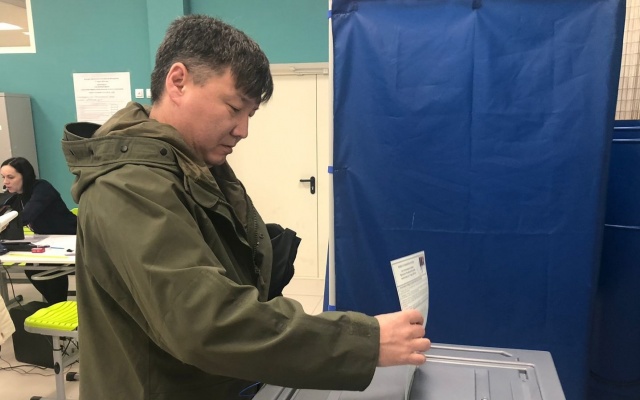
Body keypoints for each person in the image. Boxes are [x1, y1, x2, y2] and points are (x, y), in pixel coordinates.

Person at [62, 15, 431, 400]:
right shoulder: (128, 185)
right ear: (178, 81)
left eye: (249, 115)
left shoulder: (192, 167)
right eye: (233, 107)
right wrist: (364, 343)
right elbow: (205, 323)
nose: (243, 130)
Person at [0, 157, 77, 304]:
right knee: (32, 269)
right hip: (50, 241)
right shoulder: (17, 196)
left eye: (10, 177)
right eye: (3, 177)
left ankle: (58, 305)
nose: (5, 182)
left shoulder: (42, 188)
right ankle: (56, 304)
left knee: (44, 269)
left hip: (71, 237)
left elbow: (26, 216)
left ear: (25, 176)